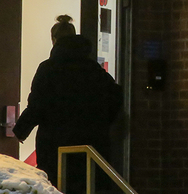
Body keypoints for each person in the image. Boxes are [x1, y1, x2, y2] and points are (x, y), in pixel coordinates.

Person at [13, 15, 123, 190]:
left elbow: (37, 105)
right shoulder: (94, 70)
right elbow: (116, 96)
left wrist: (21, 130)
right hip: (91, 146)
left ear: (54, 40)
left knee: (57, 186)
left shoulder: (49, 69)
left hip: (56, 145)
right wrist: (102, 122)